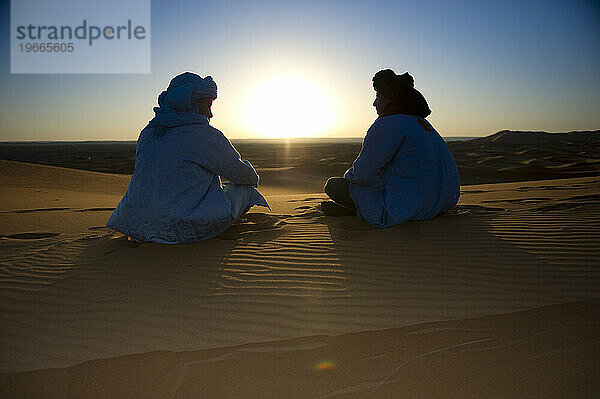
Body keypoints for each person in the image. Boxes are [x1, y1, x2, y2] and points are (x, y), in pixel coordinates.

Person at [107, 72, 269, 243]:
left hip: (135, 225)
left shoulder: (148, 132)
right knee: (245, 189)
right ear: (189, 103)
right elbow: (241, 175)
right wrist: (252, 174)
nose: (210, 114)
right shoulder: (205, 135)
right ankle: (219, 226)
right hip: (183, 225)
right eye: (208, 105)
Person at [321, 69, 460, 227]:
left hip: (409, 207)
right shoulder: (424, 125)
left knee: (334, 186)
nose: (374, 103)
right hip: (442, 202)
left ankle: (358, 211)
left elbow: (363, 173)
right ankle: (357, 209)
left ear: (389, 98)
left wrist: (349, 178)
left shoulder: (387, 123)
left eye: (378, 96)